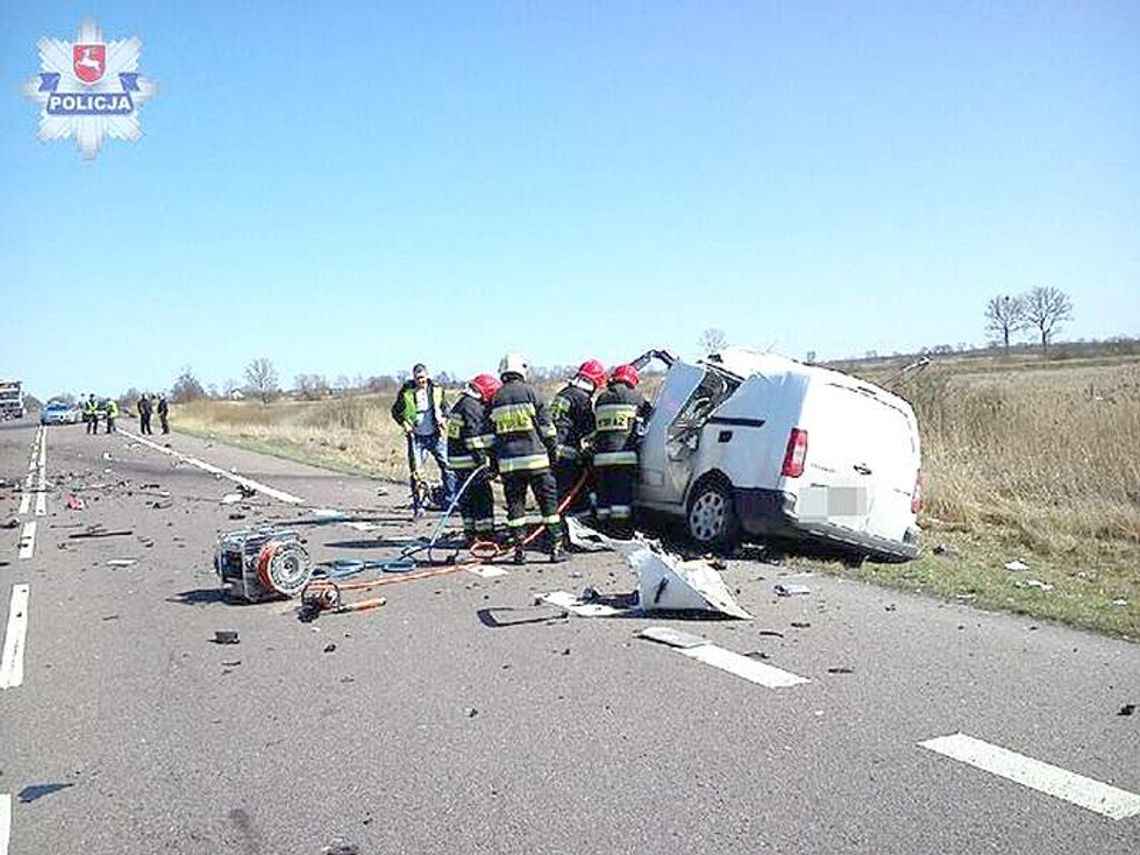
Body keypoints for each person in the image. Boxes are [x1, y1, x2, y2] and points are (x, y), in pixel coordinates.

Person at [490, 352, 566, 564]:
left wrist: (494, 465)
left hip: (509, 465)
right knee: (548, 507)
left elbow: (491, 438)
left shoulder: (496, 398)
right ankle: (556, 548)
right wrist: (553, 456)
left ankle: (519, 551)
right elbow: (548, 431)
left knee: (515, 508)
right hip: (537, 462)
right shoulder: (532, 393)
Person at [592, 364, 652, 538]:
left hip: (601, 456)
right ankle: (619, 529)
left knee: (604, 492)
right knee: (620, 493)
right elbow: (649, 414)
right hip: (624, 456)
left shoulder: (602, 398)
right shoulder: (635, 396)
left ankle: (602, 526)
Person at [390, 363, 455, 518]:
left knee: (448, 466)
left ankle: (450, 501)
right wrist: (404, 423)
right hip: (416, 438)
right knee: (417, 472)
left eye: (423, 378)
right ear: (414, 378)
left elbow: (446, 408)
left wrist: (444, 419)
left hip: (435, 436)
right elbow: (395, 411)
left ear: (427, 376)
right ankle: (418, 505)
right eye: (418, 378)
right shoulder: (406, 392)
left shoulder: (436, 390)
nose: (421, 381)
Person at [446, 373, 500, 544]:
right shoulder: (472, 407)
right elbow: (474, 438)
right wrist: (483, 461)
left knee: (467, 499)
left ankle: (470, 532)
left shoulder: (462, 403)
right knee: (483, 498)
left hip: (458, 461)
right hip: (469, 461)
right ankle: (485, 535)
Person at [550, 359, 606, 516]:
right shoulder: (581, 399)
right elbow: (590, 430)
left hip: (550, 450)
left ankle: (559, 521)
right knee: (575, 493)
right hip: (566, 452)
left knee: (558, 493)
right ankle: (578, 521)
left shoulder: (564, 393)